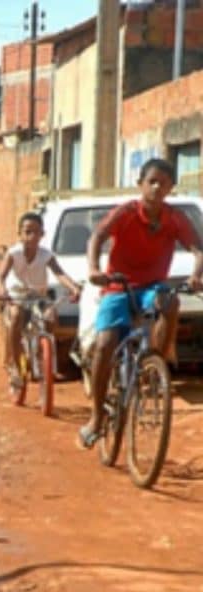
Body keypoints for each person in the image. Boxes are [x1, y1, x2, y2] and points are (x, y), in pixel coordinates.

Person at [78, 157, 203, 449]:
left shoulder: (175, 218)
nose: (158, 188)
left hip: (152, 286)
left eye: (164, 183)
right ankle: (96, 417)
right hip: (117, 285)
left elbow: (197, 249)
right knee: (106, 343)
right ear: (141, 184)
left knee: (170, 302)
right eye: (152, 181)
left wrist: (197, 275)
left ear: (172, 188)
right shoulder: (126, 213)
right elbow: (97, 236)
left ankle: (156, 361)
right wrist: (95, 269)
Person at [0, 211, 81, 393]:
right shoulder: (14, 253)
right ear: (19, 234)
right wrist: (2, 289)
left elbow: (59, 273)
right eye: (27, 232)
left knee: (51, 317)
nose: (31, 237)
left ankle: (44, 356)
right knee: (16, 317)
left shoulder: (46, 255)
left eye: (36, 232)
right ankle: (13, 365)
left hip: (39, 296)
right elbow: (1, 276)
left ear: (42, 234)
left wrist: (73, 287)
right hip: (17, 295)